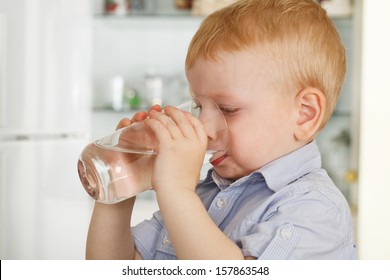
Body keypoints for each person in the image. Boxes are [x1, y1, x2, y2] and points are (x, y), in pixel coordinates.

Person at [86, 0, 356, 259]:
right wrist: (120, 188)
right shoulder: (205, 194)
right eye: (198, 106)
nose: (204, 127)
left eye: (227, 109)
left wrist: (177, 191)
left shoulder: (316, 209)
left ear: (304, 114)